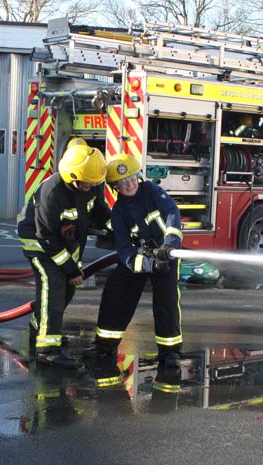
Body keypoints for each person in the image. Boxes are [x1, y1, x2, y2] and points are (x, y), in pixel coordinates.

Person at [84, 153, 184, 368]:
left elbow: (172, 213)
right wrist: (147, 263)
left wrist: (170, 243)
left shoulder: (152, 191)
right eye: (122, 183)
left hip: (167, 252)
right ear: (115, 187)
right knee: (116, 293)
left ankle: (170, 352)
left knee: (166, 301)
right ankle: (105, 347)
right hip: (142, 255)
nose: (129, 185)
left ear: (138, 177)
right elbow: (123, 249)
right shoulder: (119, 211)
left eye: (131, 179)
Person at [17, 143, 111, 369]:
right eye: (87, 183)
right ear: (72, 177)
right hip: (40, 243)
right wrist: (69, 269)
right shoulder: (51, 193)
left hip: (66, 243)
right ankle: (47, 350)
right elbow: (46, 236)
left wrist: (117, 227)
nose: (91, 187)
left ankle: (39, 329)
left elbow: (99, 211)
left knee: (67, 289)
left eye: (95, 183)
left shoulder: (91, 181)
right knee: (55, 285)